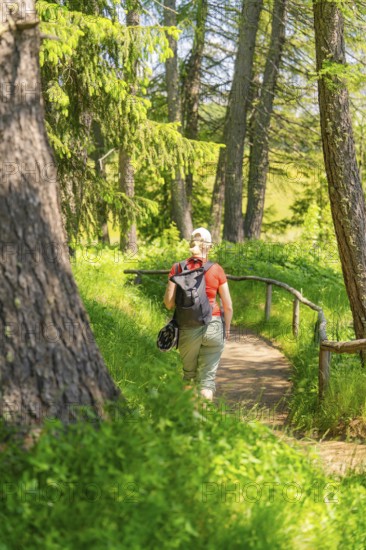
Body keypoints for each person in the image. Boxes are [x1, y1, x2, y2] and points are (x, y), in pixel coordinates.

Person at [163, 227, 233, 401]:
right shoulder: (216, 269)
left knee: (189, 377)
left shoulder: (177, 268)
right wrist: (228, 328)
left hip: (188, 327)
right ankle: (204, 420)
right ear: (209, 247)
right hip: (214, 324)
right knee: (207, 382)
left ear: (191, 244)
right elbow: (228, 306)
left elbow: (169, 303)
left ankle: (190, 421)